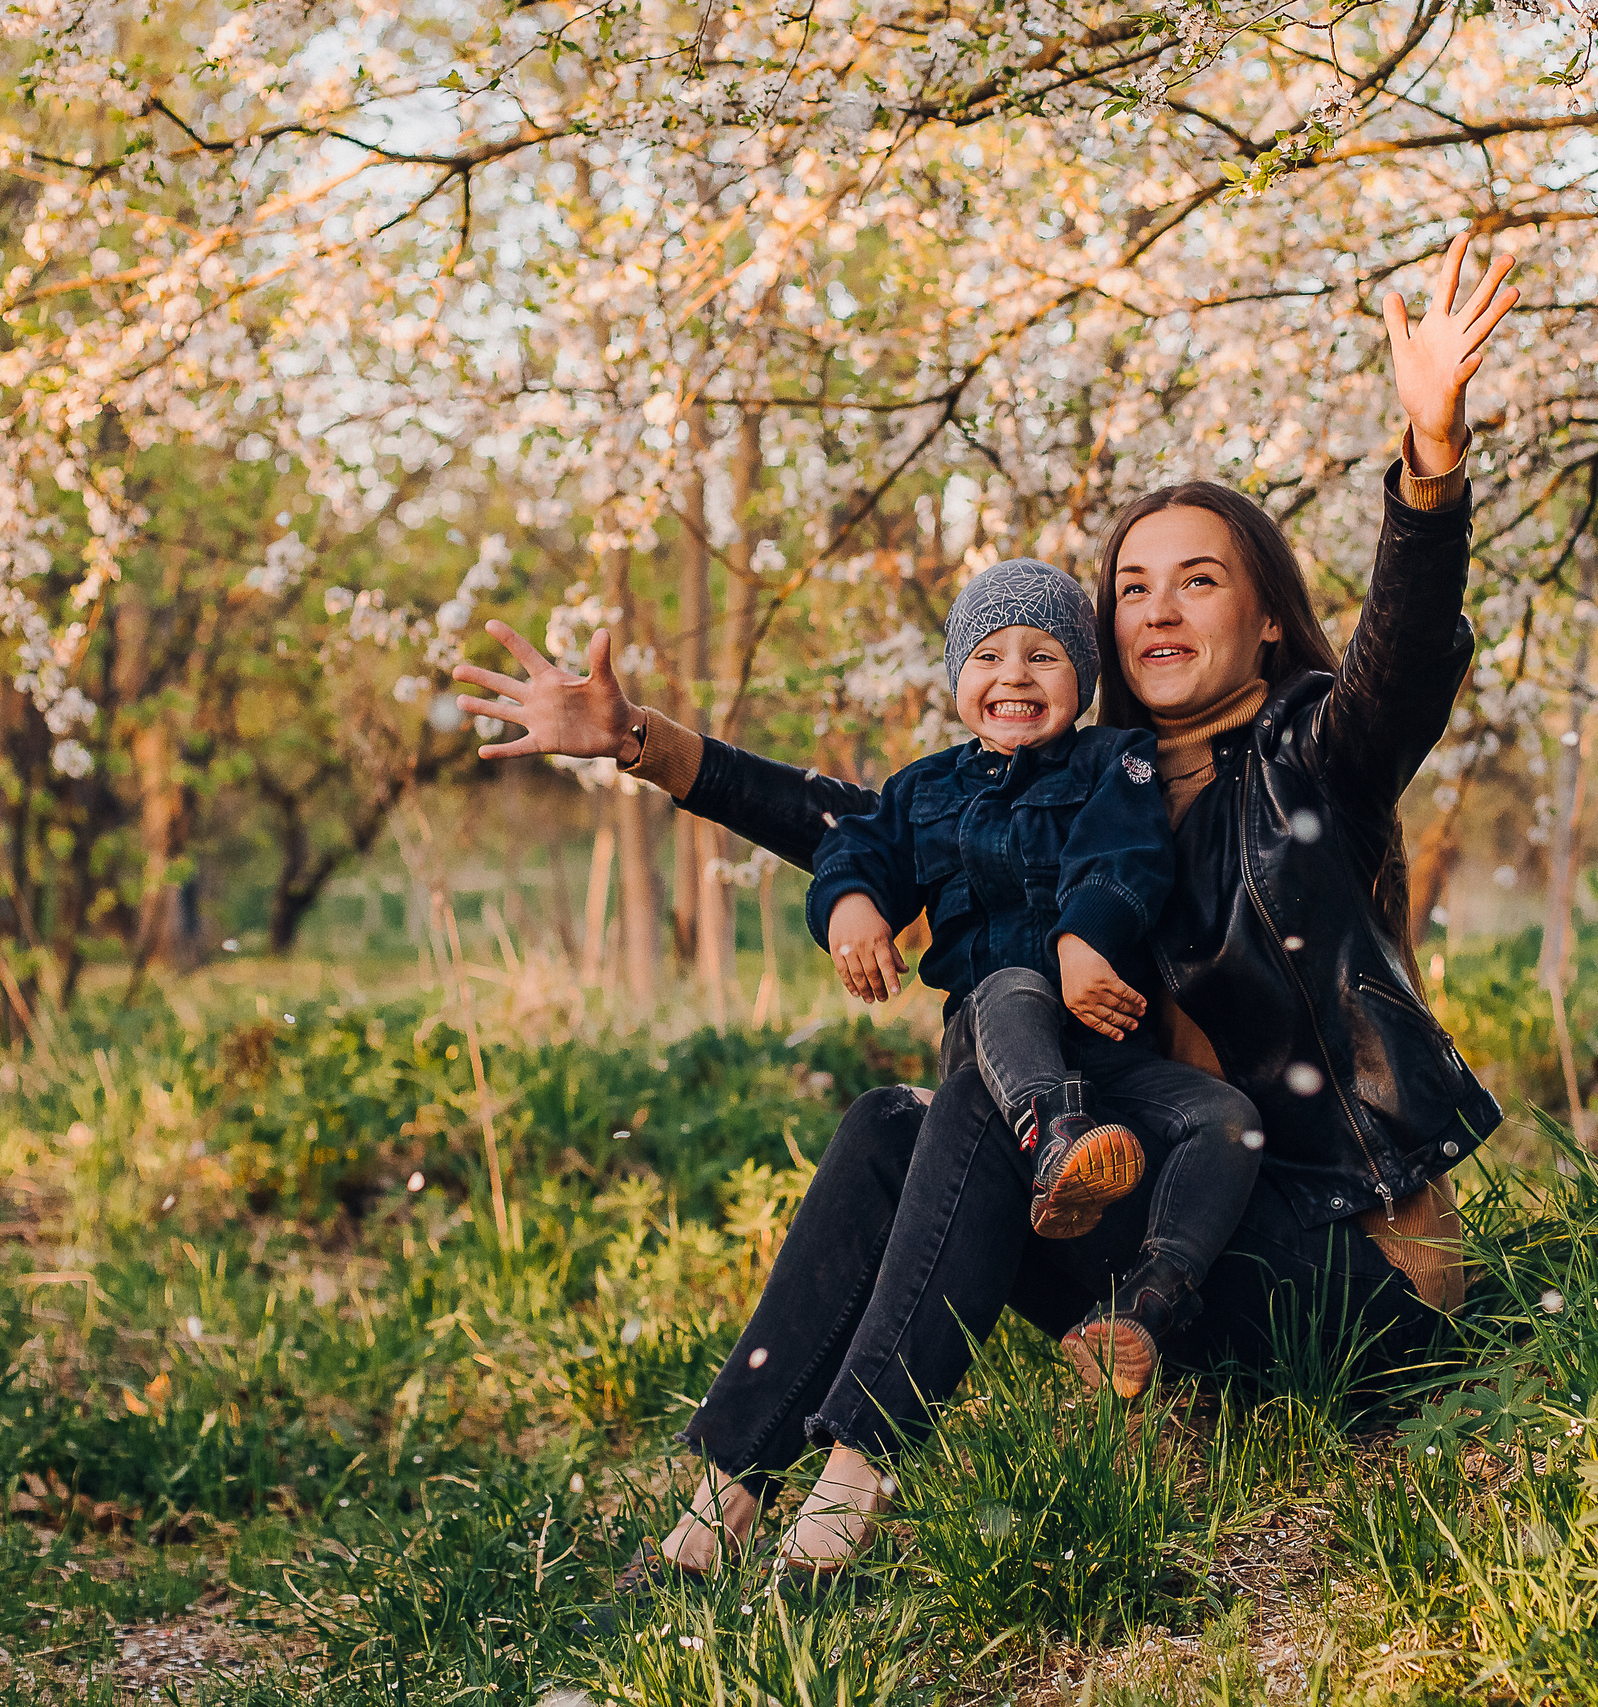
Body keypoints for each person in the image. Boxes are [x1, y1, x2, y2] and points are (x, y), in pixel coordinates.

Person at [452, 234, 1518, 1580]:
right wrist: (641, 738)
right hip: (1181, 1264)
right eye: (1132, 584)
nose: (1158, 606)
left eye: (1200, 578)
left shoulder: (1319, 756)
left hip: (1344, 1278)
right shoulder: (1088, 789)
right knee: (894, 1119)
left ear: (1263, 621)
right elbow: (864, 821)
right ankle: (724, 1505)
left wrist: (1429, 459)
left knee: (970, 1075)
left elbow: (1404, 658)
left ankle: (846, 1491)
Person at [810, 557, 1266, 1394]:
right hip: (997, 1053)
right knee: (1012, 983)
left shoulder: (1113, 762)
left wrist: (1085, 935)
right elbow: (855, 848)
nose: (1013, 674)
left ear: (1084, 678)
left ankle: (1144, 1305)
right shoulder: (923, 792)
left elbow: (1123, 850)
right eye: (987, 655)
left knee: (1229, 1118)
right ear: (957, 674)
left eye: (1043, 654)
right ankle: (1050, 1134)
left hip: (1105, 1052)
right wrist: (851, 908)